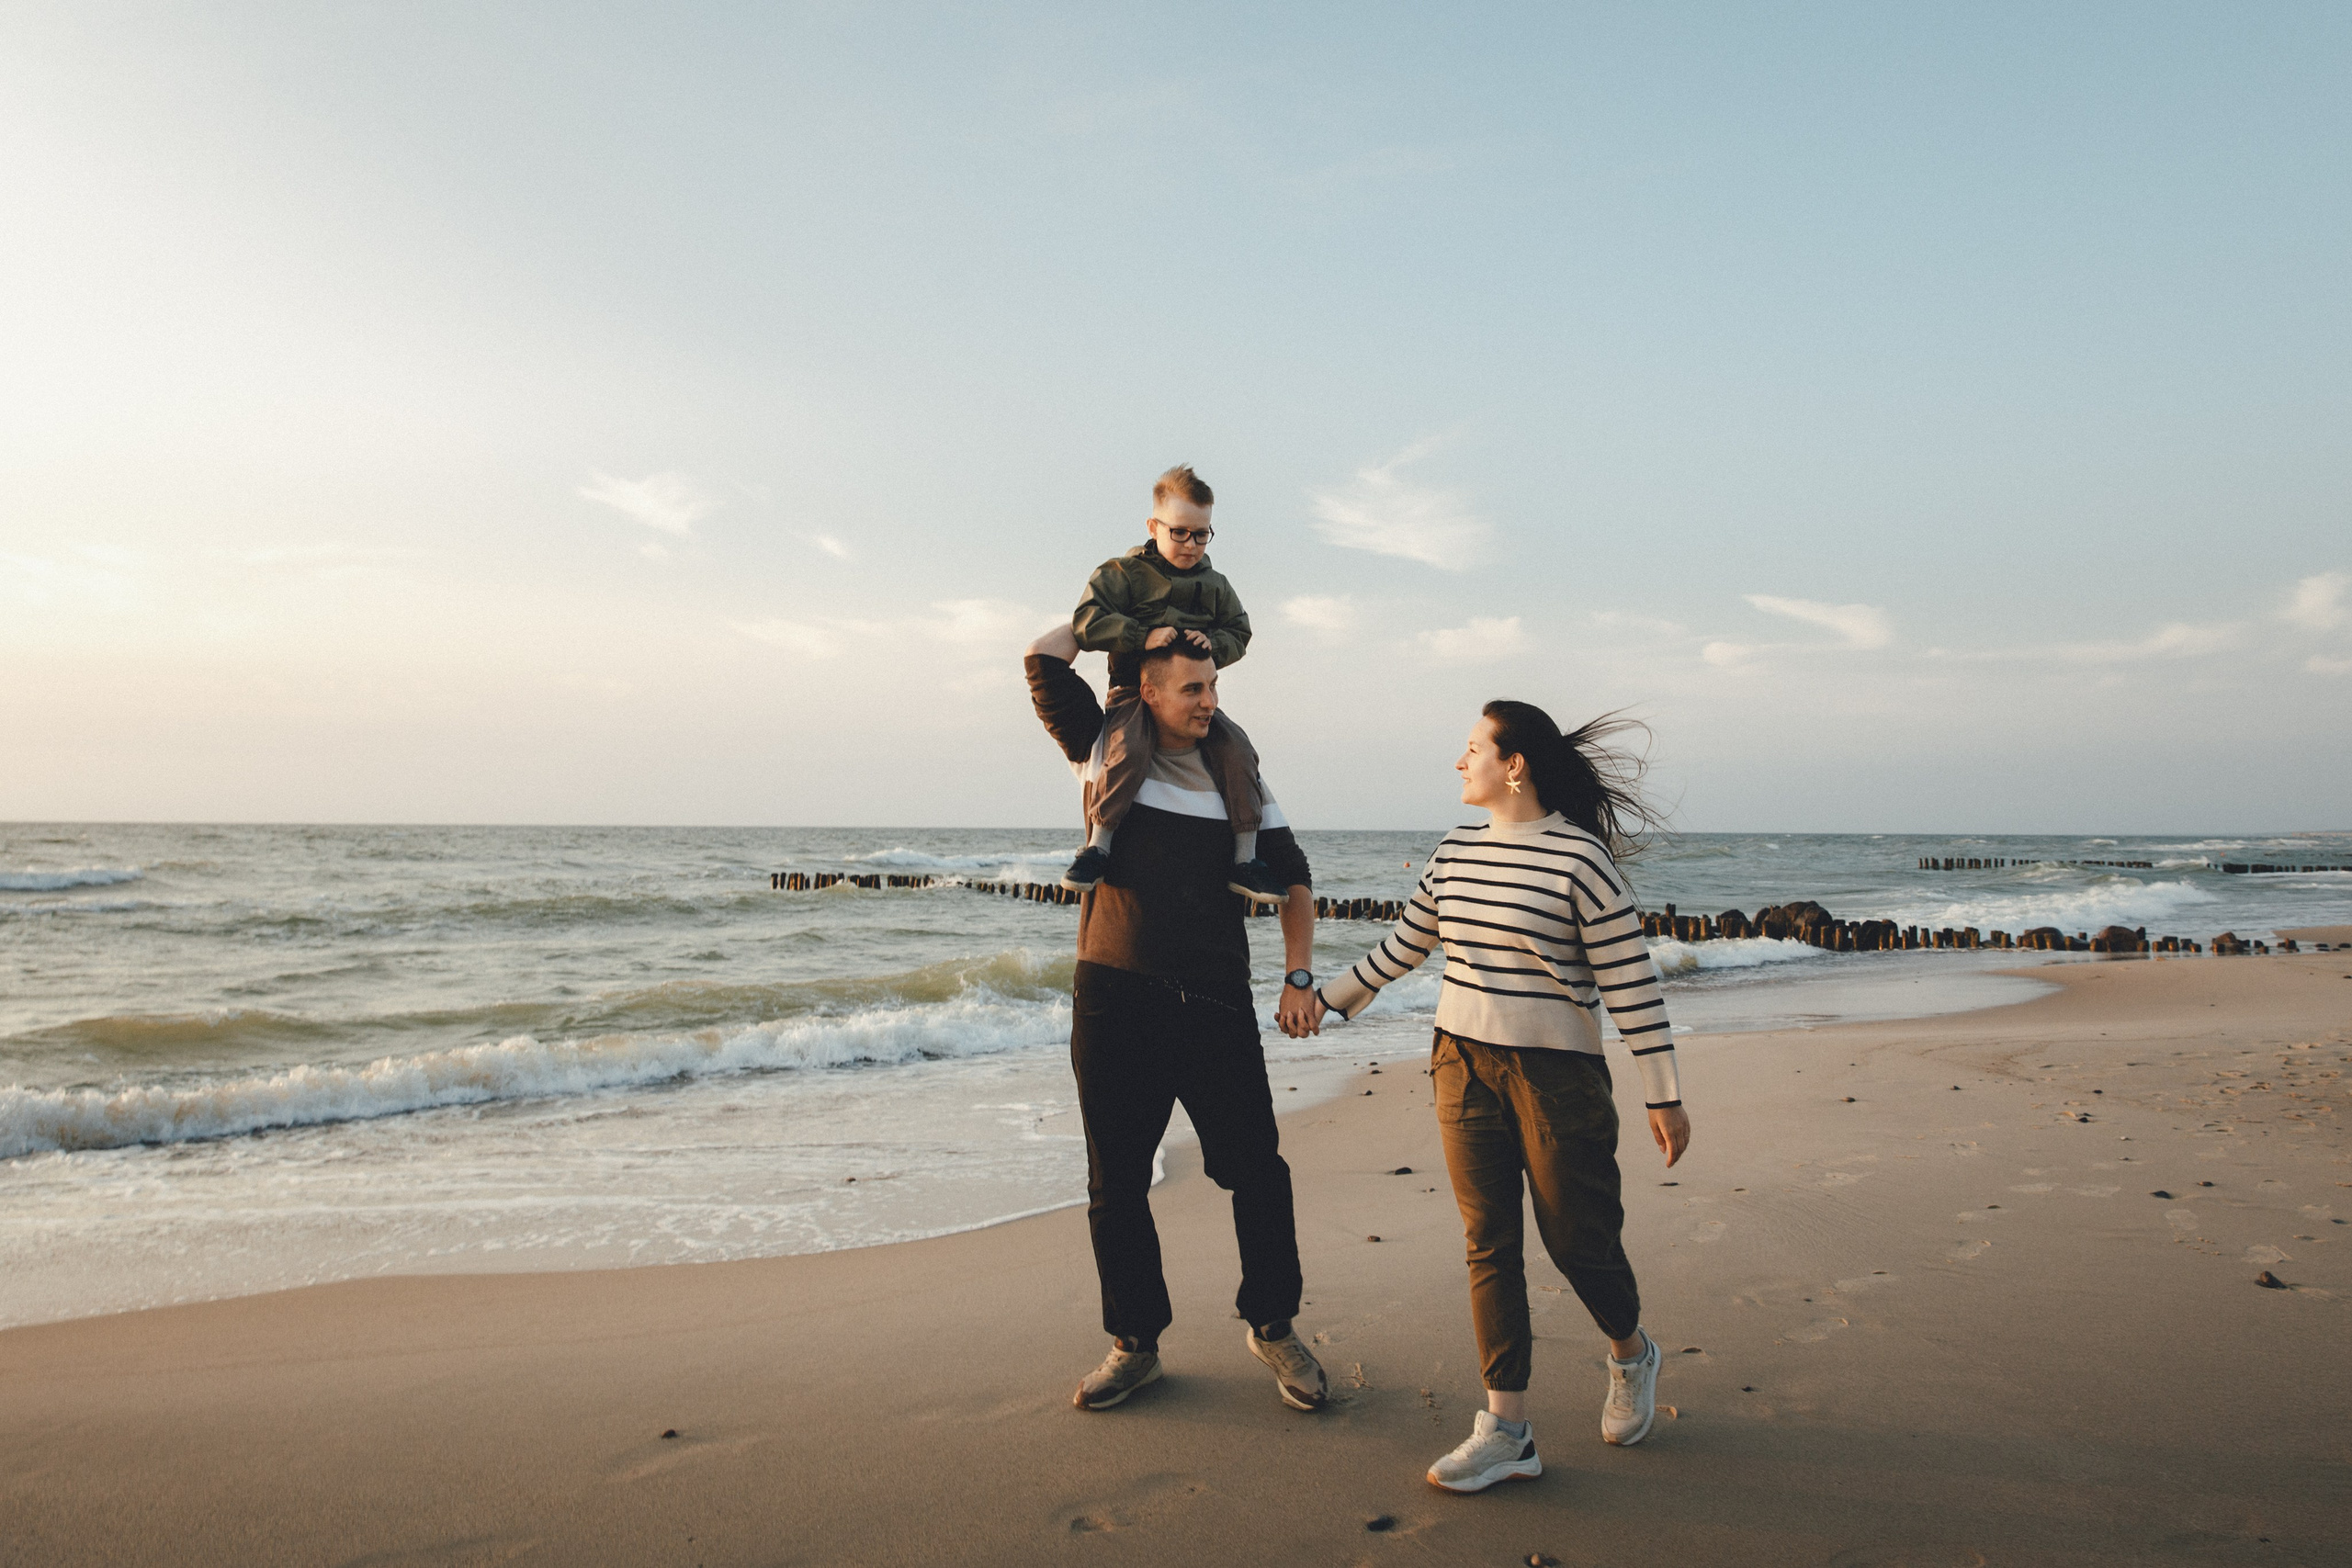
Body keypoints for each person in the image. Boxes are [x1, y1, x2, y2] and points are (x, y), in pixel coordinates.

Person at [1310, 701, 1692, 1493]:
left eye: (1473, 748)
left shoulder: (1581, 860)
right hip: (1460, 1063)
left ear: (1512, 764)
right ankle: (1506, 1427)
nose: (1460, 762)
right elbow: (1408, 941)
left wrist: (1663, 1092)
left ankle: (1631, 1350)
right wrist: (1329, 995)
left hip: (1557, 1076)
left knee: (1578, 1238)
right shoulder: (1454, 850)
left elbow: (1630, 981)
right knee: (1490, 1241)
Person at [1023, 619, 1331, 1413]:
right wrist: (1126, 618)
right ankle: (1135, 1344)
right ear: (1147, 690)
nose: (1209, 701)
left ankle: (1273, 1324)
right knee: (1115, 1181)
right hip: (1115, 995)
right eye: (1192, 687)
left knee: (1258, 1170)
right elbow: (1043, 657)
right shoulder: (1100, 746)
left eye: (1215, 686)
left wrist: (1299, 975)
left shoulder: (1239, 775)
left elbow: (1295, 878)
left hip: (1217, 999)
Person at [1062, 466, 1286, 908]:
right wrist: (1140, 636)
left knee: (1239, 750)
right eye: (1180, 533)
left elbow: (1239, 632)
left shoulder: (1216, 584)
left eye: (1202, 535)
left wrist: (1215, 644)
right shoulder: (1123, 573)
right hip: (1134, 692)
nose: (1191, 545)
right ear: (1154, 526)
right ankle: (1098, 847)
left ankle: (1245, 861)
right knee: (1129, 749)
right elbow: (1086, 622)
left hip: (1190, 696)